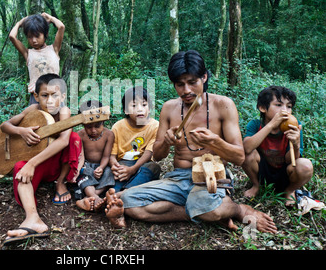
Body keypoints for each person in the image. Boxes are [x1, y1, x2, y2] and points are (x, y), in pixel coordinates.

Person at [114, 50, 277, 234]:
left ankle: (238, 210)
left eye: (192, 82)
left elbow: (239, 157)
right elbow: (158, 156)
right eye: (180, 84)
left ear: (204, 77)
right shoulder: (169, 108)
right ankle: (203, 212)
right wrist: (166, 142)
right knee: (128, 202)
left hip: (212, 178)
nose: (187, 91)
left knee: (209, 206)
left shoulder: (223, 105)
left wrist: (215, 142)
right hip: (179, 179)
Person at [1, 73, 82, 246]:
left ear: (63, 97)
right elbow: (5, 126)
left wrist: (31, 164)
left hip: (55, 166)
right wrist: (21, 132)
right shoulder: (32, 109)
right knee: (18, 167)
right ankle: (33, 218)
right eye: (45, 96)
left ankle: (61, 183)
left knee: (74, 137)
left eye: (55, 95)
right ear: (36, 96)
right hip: (38, 166)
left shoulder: (64, 111)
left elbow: (64, 140)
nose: (50, 101)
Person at [242, 86, 313, 205]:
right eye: (279, 105)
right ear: (263, 108)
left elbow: (291, 160)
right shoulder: (255, 124)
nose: (285, 110)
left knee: (305, 165)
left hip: (285, 173)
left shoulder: (294, 126)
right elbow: (247, 148)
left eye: (289, 106)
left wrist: (295, 144)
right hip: (262, 171)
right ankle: (256, 185)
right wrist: (271, 125)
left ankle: (289, 191)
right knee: (246, 155)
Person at [105, 86, 161, 228]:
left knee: (153, 167)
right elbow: (112, 155)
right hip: (122, 165)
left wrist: (133, 169)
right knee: (113, 176)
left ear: (150, 107)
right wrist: (114, 166)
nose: (140, 109)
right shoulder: (118, 126)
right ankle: (116, 201)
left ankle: (119, 196)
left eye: (144, 104)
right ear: (125, 110)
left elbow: (149, 154)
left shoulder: (155, 126)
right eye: (134, 106)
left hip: (142, 165)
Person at [9, 13, 65, 105]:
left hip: (55, 93)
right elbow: (12, 36)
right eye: (30, 37)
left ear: (45, 34)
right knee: (37, 119)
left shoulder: (54, 49)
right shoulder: (28, 53)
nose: (34, 40)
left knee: (61, 118)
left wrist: (50, 18)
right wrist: (20, 23)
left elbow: (61, 27)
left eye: (37, 36)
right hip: (37, 97)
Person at [75, 100, 115, 212]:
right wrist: (79, 169)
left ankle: (89, 196)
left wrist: (101, 167)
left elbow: (106, 156)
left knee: (109, 172)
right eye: (89, 127)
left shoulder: (109, 134)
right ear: (83, 124)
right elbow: (81, 156)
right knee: (83, 173)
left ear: (103, 122)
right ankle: (96, 198)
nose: (93, 130)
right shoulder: (80, 134)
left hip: (101, 165)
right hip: (86, 164)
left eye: (97, 126)